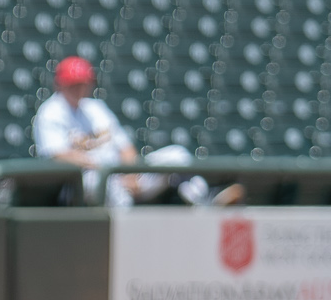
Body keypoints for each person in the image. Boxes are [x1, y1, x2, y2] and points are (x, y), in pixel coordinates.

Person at [32, 56, 241, 207]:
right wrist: (107, 168)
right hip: (84, 179)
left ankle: (205, 202)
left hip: (119, 173)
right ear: (61, 83)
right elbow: (57, 154)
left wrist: (130, 172)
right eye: (73, 83)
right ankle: (125, 234)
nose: (79, 88)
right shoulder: (50, 111)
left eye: (82, 83)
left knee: (177, 155)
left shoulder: (95, 108)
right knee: (105, 184)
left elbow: (125, 147)